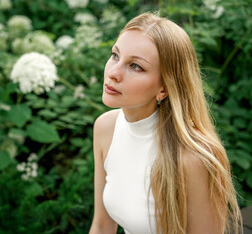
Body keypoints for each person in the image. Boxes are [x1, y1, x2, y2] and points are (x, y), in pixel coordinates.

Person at [89, 12, 242, 234]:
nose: (113, 73)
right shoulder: (105, 128)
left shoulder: (192, 159)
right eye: (115, 55)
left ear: (164, 88)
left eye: (135, 66)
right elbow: (102, 226)